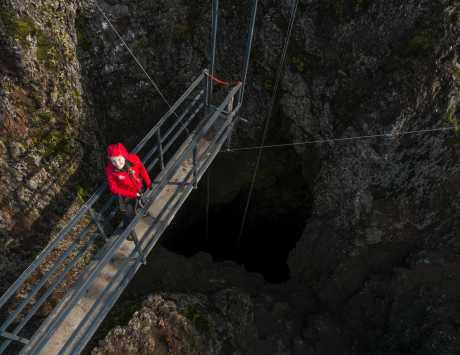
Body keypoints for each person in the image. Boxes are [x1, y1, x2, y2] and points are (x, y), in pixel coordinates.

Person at [105, 143, 152, 232]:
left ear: (124, 156)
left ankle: (143, 212)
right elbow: (114, 189)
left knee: (141, 201)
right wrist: (133, 194)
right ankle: (129, 231)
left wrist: (149, 182)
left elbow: (142, 170)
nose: (117, 164)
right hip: (126, 195)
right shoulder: (110, 170)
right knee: (128, 214)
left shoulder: (133, 159)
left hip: (138, 188)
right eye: (113, 161)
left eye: (119, 159)